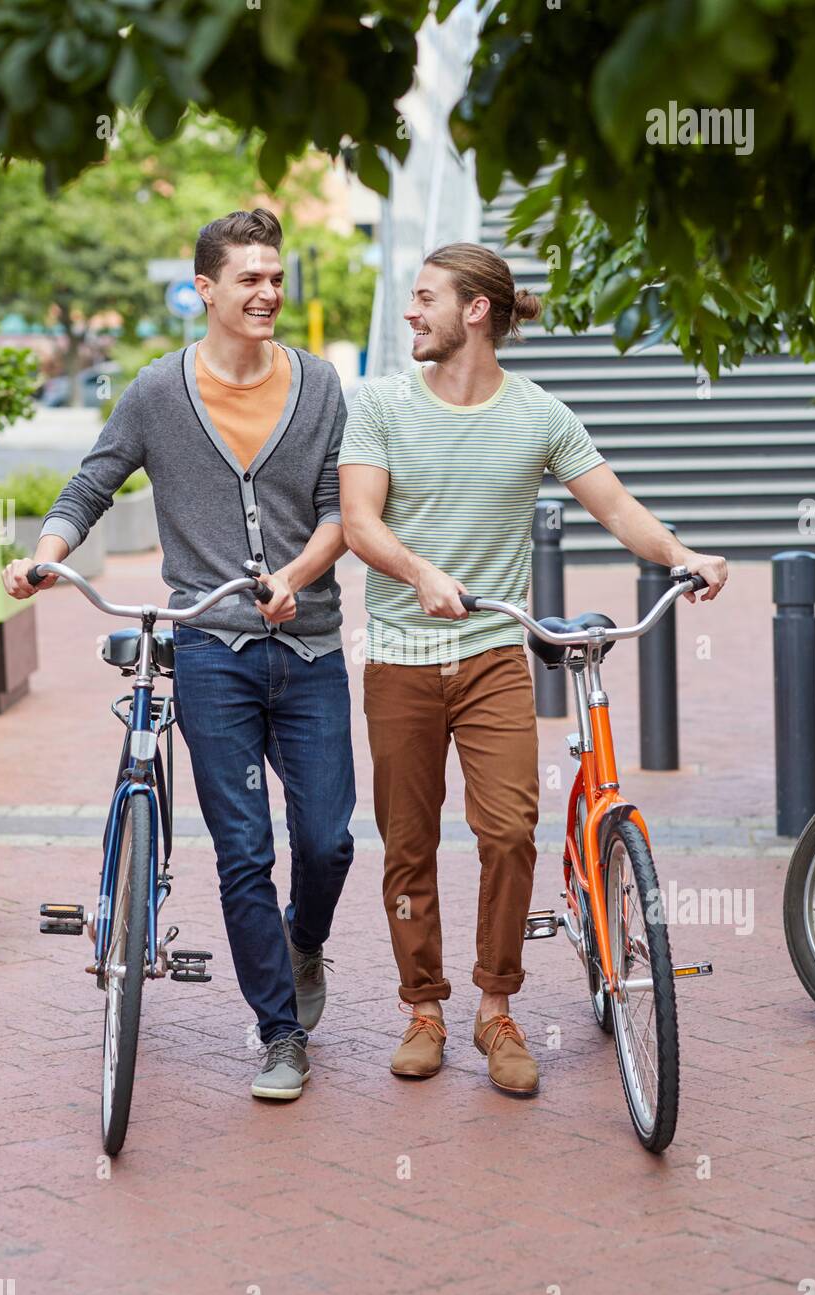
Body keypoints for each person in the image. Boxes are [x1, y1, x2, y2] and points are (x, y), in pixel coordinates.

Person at [338, 241, 727, 1096]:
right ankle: (424, 1009)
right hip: (401, 656)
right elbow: (360, 522)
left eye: (426, 297)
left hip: (491, 655)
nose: (412, 311)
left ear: (476, 310)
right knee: (407, 844)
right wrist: (421, 575)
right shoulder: (378, 405)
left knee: (509, 831)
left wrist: (682, 552)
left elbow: (617, 505)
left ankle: (495, 1006)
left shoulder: (541, 416)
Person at [2, 209, 355, 1102]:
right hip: (209, 651)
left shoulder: (320, 388)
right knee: (244, 847)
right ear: (206, 289)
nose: (269, 292)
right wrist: (47, 555)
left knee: (328, 841)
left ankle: (302, 940)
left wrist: (296, 574)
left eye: (277, 277)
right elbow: (91, 480)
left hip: (308, 644)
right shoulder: (157, 392)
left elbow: (338, 510)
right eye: (250, 278)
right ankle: (279, 1036)